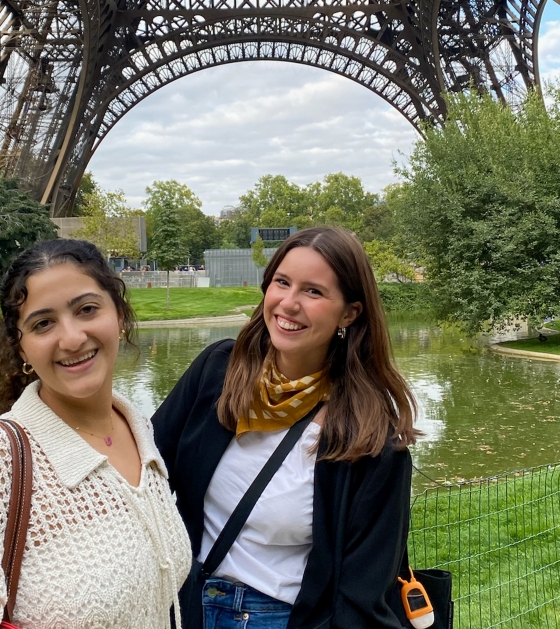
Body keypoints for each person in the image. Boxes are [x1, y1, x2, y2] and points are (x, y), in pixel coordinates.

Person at [0, 238, 191, 629]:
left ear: (119, 315)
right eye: (43, 323)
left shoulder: (140, 432)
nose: (71, 338)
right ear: (22, 349)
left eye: (86, 309)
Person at [152, 226, 418, 629]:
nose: (288, 304)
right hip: (184, 606)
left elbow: (362, 595)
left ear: (350, 313)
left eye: (313, 292)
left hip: (276, 617)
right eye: (282, 282)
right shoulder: (217, 372)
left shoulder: (372, 439)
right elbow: (145, 471)